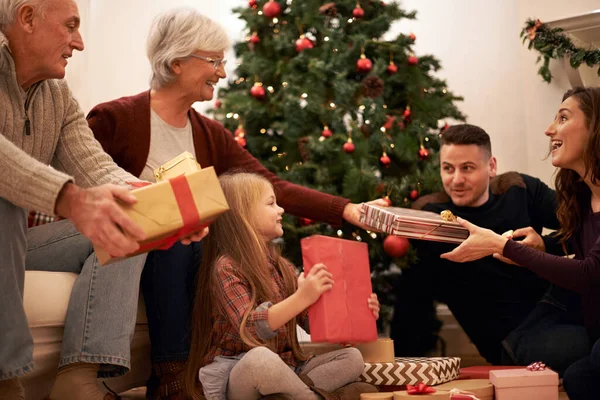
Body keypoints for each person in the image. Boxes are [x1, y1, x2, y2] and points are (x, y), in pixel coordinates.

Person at [87, 8, 386, 398]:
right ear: (176, 62)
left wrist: (347, 210)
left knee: (204, 239)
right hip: (135, 248)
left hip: (192, 253)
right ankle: (172, 374)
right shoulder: (115, 119)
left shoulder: (210, 133)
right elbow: (81, 186)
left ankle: (258, 377)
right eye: (213, 61)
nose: (223, 73)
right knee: (180, 235)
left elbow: (270, 184)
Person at [0, 1, 206, 399]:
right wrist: (70, 198)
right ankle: (6, 380)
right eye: (70, 26)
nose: (79, 42)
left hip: (17, 245)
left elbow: (97, 167)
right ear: (27, 19)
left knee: (127, 217)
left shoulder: (57, 96)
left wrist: (165, 208)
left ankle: (78, 376)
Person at [441, 87, 600, 400]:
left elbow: (590, 272)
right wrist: (541, 247)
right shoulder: (582, 197)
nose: (549, 128)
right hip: (532, 334)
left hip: (571, 319)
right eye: (448, 168)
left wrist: (504, 247)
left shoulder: (522, 189)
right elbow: (583, 244)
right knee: (579, 376)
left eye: (563, 118)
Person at [390, 124, 588, 373]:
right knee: (588, 346)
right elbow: (412, 294)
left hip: (556, 305)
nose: (456, 180)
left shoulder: (520, 189)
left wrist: (545, 246)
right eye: (447, 168)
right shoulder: (430, 217)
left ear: (491, 166)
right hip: (514, 341)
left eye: (467, 168)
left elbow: (587, 224)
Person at [184, 172, 379, 400]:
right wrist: (302, 297)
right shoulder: (226, 267)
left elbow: (312, 322)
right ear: (243, 214)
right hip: (240, 375)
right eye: (271, 203)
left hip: (288, 370)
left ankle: (287, 395)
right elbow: (249, 330)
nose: (281, 210)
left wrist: (359, 314)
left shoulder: (282, 266)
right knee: (261, 359)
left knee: (352, 358)